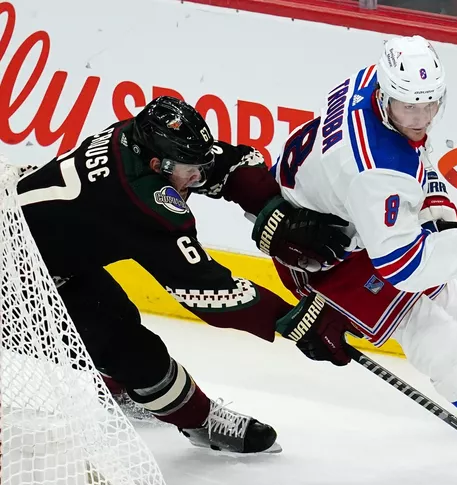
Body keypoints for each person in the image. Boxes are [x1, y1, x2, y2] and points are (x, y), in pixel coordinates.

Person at [260, 35, 457, 474]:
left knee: (455, 302)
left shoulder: (372, 88)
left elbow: (416, 167)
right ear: (386, 95)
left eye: (430, 104)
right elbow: (403, 266)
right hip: (319, 253)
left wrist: (447, 222)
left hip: (346, 218)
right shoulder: (376, 172)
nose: (421, 118)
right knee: (432, 333)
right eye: (410, 108)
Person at [15, 96, 358, 454]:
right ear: (157, 164)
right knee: (134, 353)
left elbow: (224, 164)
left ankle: (125, 389)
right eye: (188, 170)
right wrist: (291, 320)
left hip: (44, 256)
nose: (197, 177)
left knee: (116, 315)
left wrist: (272, 207)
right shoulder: (140, 200)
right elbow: (208, 292)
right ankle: (200, 422)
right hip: (14, 283)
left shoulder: (134, 139)